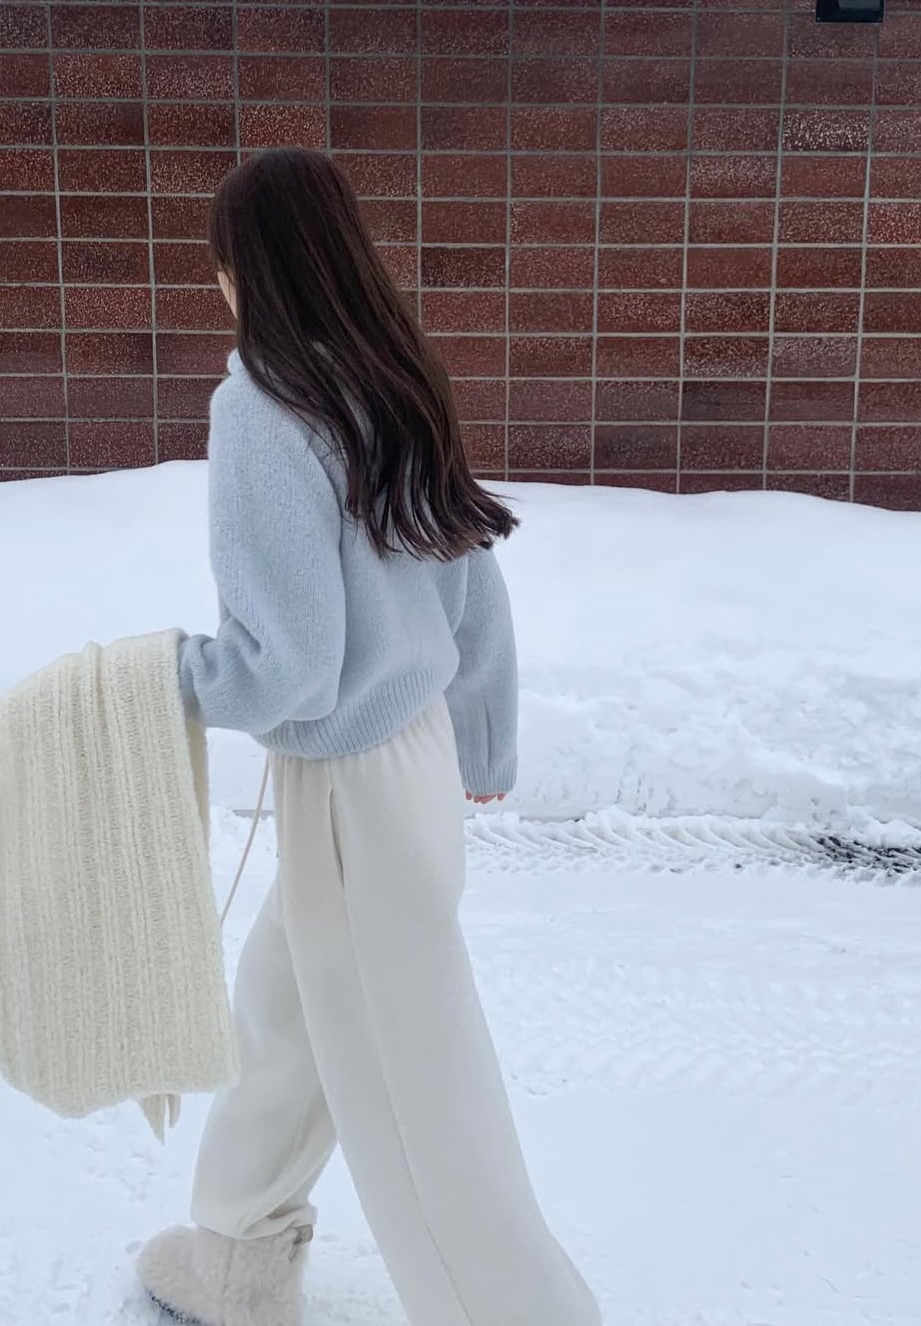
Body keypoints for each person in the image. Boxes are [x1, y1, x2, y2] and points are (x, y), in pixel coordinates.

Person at [137, 148, 600, 1326]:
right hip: (415, 762)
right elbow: (472, 585)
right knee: (286, 1018)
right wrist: (483, 742)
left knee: (416, 1087)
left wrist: (162, 682)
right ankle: (238, 1256)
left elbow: (286, 665)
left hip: (346, 782)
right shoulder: (393, 376)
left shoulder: (265, 408)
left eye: (220, 263)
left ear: (247, 268)